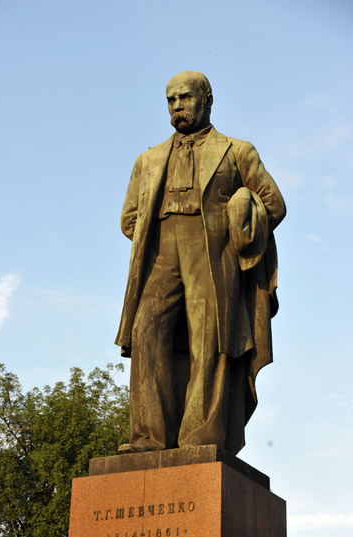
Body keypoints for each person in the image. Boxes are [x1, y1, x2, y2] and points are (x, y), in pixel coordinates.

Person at [115, 71, 286, 455]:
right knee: (146, 331)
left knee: (208, 341)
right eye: (171, 100)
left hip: (212, 253)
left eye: (185, 98)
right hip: (162, 252)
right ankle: (148, 438)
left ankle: (200, 437)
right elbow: (129, 218)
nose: (177, 106)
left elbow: (274, 204)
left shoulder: (237, 151)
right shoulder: (149, 159)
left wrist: (242, 211)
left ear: (207, 99)